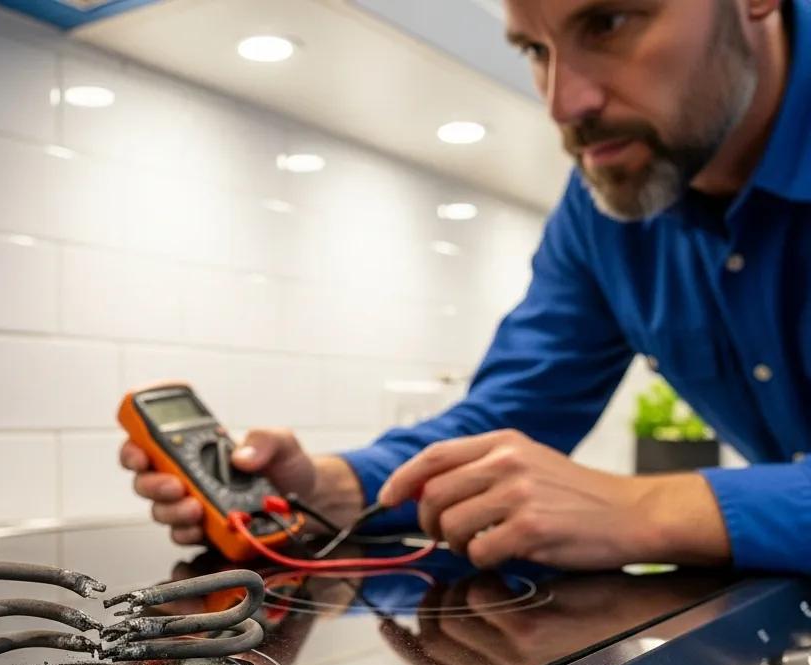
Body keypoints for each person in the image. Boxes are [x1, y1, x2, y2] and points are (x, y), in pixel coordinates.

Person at [122, 0, 811, 574]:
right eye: (535, 52)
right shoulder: (604, 211)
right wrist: (329, 488)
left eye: (608, 22)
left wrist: (644, 509)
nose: (564, 104)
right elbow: (506, 418)